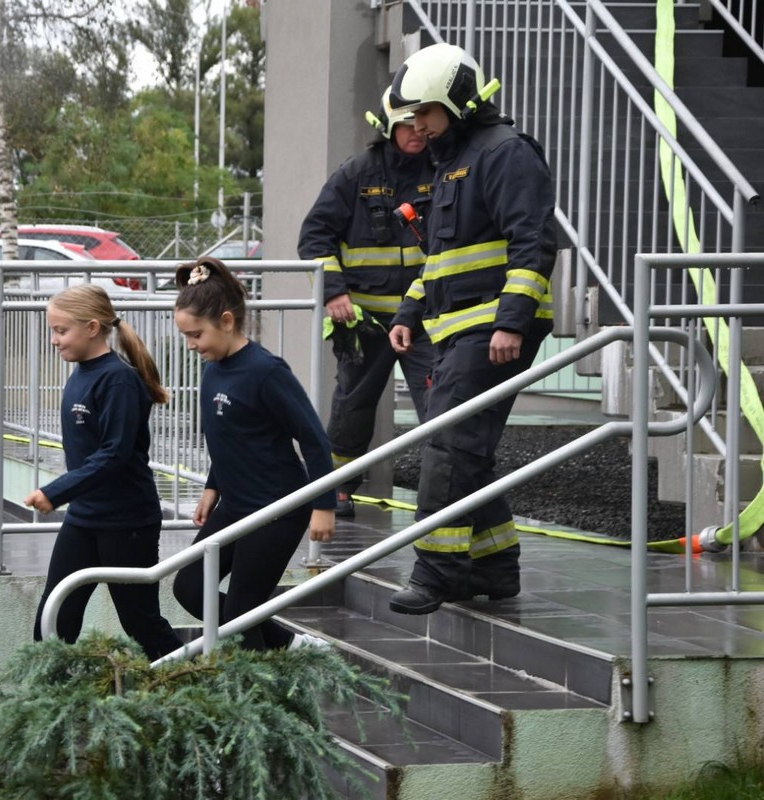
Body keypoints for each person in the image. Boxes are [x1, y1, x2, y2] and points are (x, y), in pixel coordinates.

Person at [385, 43, 557, 614]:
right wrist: (410, 313)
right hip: (460, 326)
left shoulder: (506, 154)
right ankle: (495, 566)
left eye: (426, 114)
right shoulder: (455, 160)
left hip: (494, 325)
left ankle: (435, 573)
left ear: (456, 103)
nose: (418, 127)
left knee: (448, 443)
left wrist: (512, 322)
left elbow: (532, 244)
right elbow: (438, 255)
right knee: (469, 448)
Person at [171, 257, 336, 650]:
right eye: (186, 337)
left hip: (276, 508)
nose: (191, 345)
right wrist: (213, 487)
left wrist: (324, 504)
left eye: (196, 335)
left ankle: (262, 699)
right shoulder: (214, 367)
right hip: (236, 504)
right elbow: (229, 435)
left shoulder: (265, 371)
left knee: (241, 612)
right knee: (190, 589)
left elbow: (313, 438)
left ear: (226, 322)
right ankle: (291, 645)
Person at [298, 87, 436, 516]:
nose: (417, 131)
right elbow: (314, 237)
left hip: (423, 317)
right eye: (407, 123)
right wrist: (335, 291)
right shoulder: (356, 174)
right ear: (387, 126)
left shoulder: (444, 169)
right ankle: (338, 487)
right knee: (353, 404)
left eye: (422, 122)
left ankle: (443, 493)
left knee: (439, 404)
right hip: (366, 319)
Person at [28, 284, 183, 660]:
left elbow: (114, 454)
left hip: (126, 522)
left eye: (61, 331)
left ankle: (199, 691)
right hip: (84, 518)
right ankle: (50, 706)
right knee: (52, 621)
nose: (54, 340)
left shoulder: (118, 380)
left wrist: (56, 491)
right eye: (53, 331)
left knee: (141, 623)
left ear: (93, 328)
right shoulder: (81, 373)